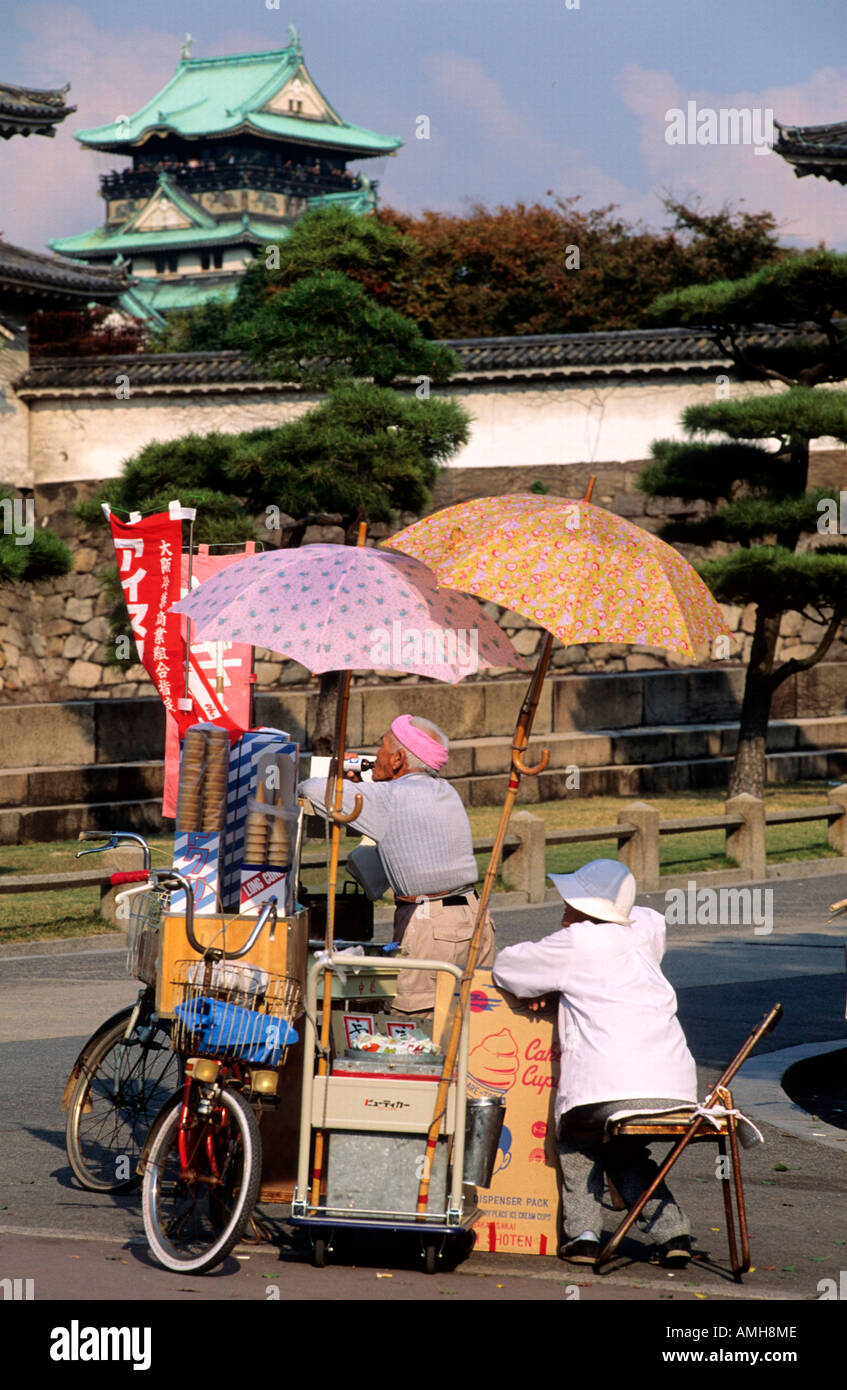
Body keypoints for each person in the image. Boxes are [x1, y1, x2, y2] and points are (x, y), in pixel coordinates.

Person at [491, 858, 696, 1268]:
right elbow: (643, 914)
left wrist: (551, 982)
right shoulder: (645, 933)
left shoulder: (577, 942)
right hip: (675, 1087)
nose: (562, 909)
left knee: (575, 1136)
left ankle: (584, 1233)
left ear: (586, 908)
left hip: (606, 1087)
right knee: (620, 1149)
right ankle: (672, 1232)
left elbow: (509, 966)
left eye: (570, 900)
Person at [298, 714, 495, 1014]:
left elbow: (311, 789)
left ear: (399, 759)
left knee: (417, 1024)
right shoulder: (446, 790)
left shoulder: (388, 797)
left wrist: (337, 778)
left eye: (381, 748)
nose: (374, 756)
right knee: (471, 1025)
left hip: (434, 927)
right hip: (474, 916)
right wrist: (367, 782)